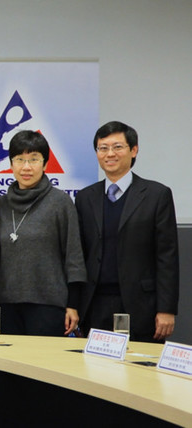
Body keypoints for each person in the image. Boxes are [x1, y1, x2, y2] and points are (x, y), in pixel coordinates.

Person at [75, 121, 179, 342]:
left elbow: (167, 257)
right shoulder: (85, 197)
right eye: (103, 148)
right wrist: (73, 304)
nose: (109, 154)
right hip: (95, 305)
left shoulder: (156, 195)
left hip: (142, 306)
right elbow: (79, 255)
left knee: (139, 373)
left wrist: (166, 309)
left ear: (134, 150)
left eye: (117, 147)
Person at [0, 130, 86, 336]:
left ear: (45, 164)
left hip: (49, 305)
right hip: (7, 305)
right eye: (20, 159)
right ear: (11, 164)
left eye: (34, 159)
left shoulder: (60, 202)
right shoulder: (0, 205)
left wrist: (73, 304)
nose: (26, 167)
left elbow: (74, 257)